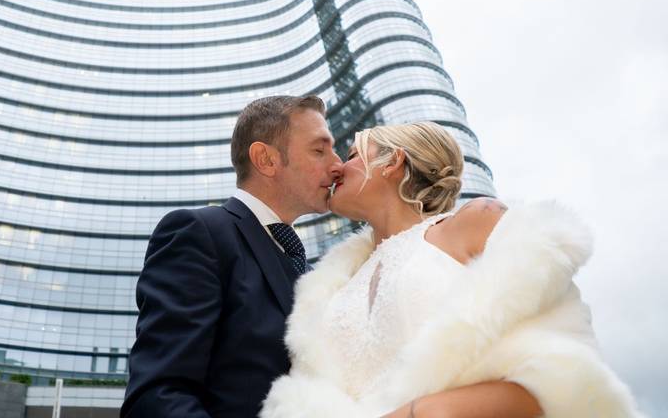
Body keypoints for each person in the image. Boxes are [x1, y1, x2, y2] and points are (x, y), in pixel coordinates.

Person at [261, 122, 641, 417]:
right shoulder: (328, 291)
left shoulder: (473, 223)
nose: (337, 167)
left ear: (392, 162)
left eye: (352, 155)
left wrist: (424, 411)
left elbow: (566, 372)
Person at [121, 95, 342, 418]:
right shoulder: (200, 233)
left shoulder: (304, 267)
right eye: (319, 150)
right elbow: (157, 395)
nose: (336, 164)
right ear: (265, 159)